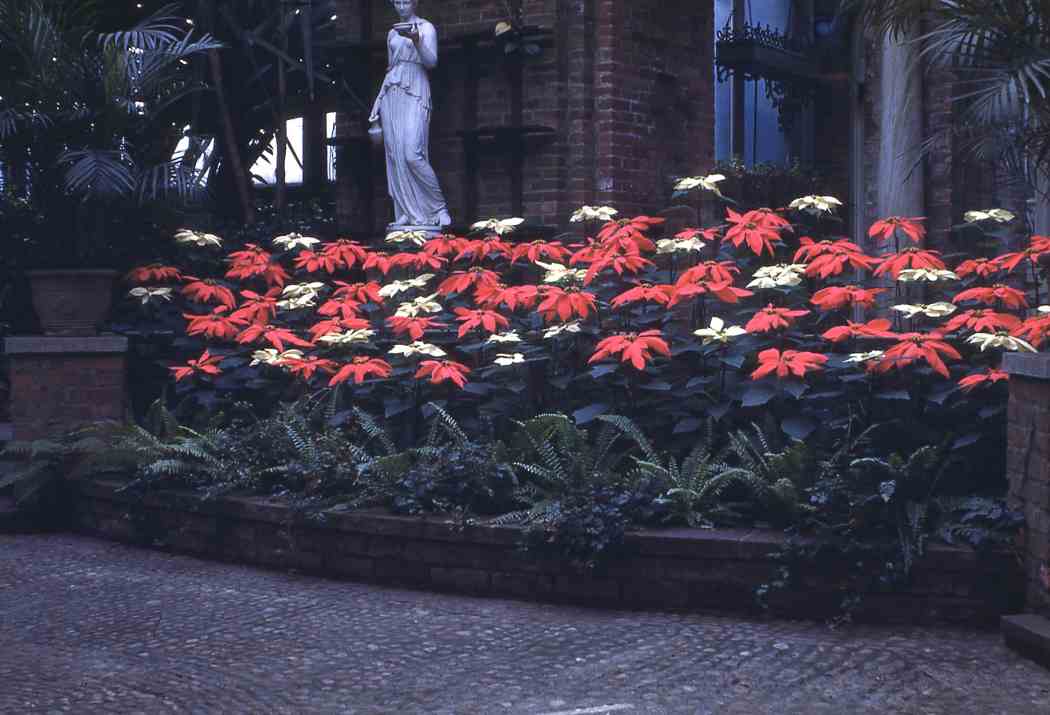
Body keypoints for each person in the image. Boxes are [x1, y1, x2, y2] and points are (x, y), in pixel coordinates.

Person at [368, 0, 452, 229]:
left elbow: (431, 62)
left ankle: (438, 207)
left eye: (406, 1)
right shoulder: (392, 34)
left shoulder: (426, 28)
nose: (401, 6)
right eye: (397, 2)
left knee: (412, 153)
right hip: (392, 92)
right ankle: (406, 209)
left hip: (415, 87)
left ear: (414, 3)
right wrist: (378, 101)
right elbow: (390, 68)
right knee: (395, 154)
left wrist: (416, 41)